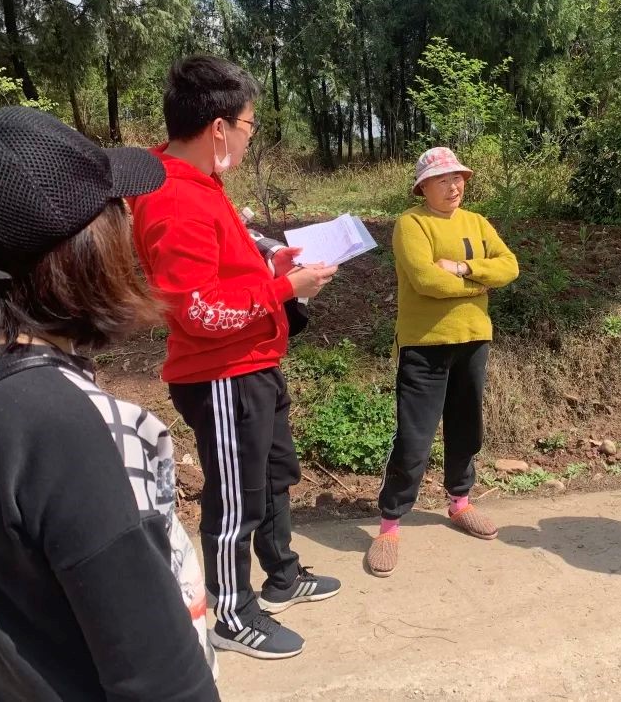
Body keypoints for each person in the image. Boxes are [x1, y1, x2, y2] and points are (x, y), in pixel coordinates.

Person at [0, 106, 219, 700]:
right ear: (78, 253)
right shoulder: (68, 427)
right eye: (114, 210)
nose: (127, 220)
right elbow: (163, 680)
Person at [129, 54, 340, 660]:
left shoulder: (200, 184)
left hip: (252, 361)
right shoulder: (176, 199)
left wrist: (271, 265)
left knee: (272, 475)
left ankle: (281, 575)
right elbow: (197, 311)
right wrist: (284, 290)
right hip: (221, 373)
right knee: (234, 496)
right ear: (218, 128)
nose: (250, 138)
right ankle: (230, 612)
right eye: (249, 126)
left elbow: (222, 272)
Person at [364, 147, 519, 577]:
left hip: (474, 338)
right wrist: (479, 285)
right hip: (424, 344)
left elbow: (509, 266)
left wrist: (464, 268)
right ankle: (390, 524)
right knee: (414, 438)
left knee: (466, 427)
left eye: (458, 178)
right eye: (443, 180)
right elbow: (425, 279)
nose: (454, 187)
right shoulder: (411, 223)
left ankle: (460, 502)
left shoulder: (477, 222)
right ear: (423, 187)